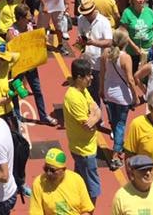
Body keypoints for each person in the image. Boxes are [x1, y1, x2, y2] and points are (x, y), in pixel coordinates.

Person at [62, 57, 101, 202]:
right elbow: (88, 126)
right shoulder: (74, 98)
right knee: (92, 189)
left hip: (86, 147)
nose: (91, 78)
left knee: (79, 182)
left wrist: (95, 115)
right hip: (84, 150)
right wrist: (95, 116)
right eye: (88, 75)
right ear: (79, 77)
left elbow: (96, 109)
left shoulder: (83, 91)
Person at [100, 28, 139, 170]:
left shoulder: (105, 53)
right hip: (122, 96)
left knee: (115, 122)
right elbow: (130, 79)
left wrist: (101, 90)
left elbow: (102, 73)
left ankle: (118, 145)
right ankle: (116, 154)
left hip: (109, 93)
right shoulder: (126, 57)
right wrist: (135, 97)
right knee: (121, 125)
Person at [28, 147, 94, 215]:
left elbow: (87, 209)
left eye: (52, 170)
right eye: (46, 169)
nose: (48, 173)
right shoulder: (38, 183)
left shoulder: (76, 179)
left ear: (63, 169)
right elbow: (35, 212)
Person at [76, 0, 112, 105]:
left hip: (99, 63)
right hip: (87, 61)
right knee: (89, 91)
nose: (86, 16)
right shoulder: (81, 19)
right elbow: (81, 35)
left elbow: (109, 42)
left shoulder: (103, 21)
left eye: (88, 13)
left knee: (101, 92)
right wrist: (81, 43)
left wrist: (93, 42)